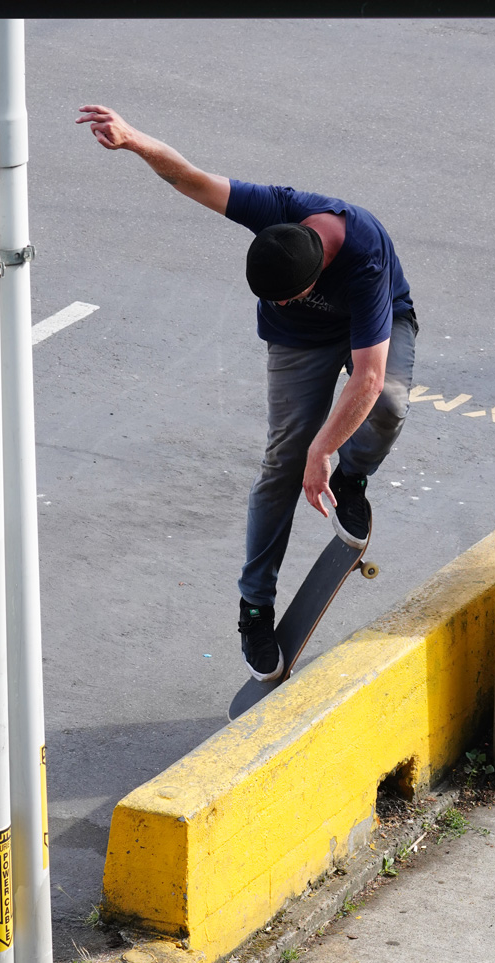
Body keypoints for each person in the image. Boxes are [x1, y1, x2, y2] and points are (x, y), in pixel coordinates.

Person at [76, 104, 418, 682]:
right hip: (298, 345)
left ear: (316, 274)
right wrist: (135, 141)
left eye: (286, 295)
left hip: (377, 326)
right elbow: (192, 179)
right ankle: (254, 606)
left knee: (388, 407)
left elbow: (369, 378)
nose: (278, 303)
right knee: (281, 463)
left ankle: (353, 479)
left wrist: (326, 453)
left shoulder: (364, 256)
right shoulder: (276, 210)